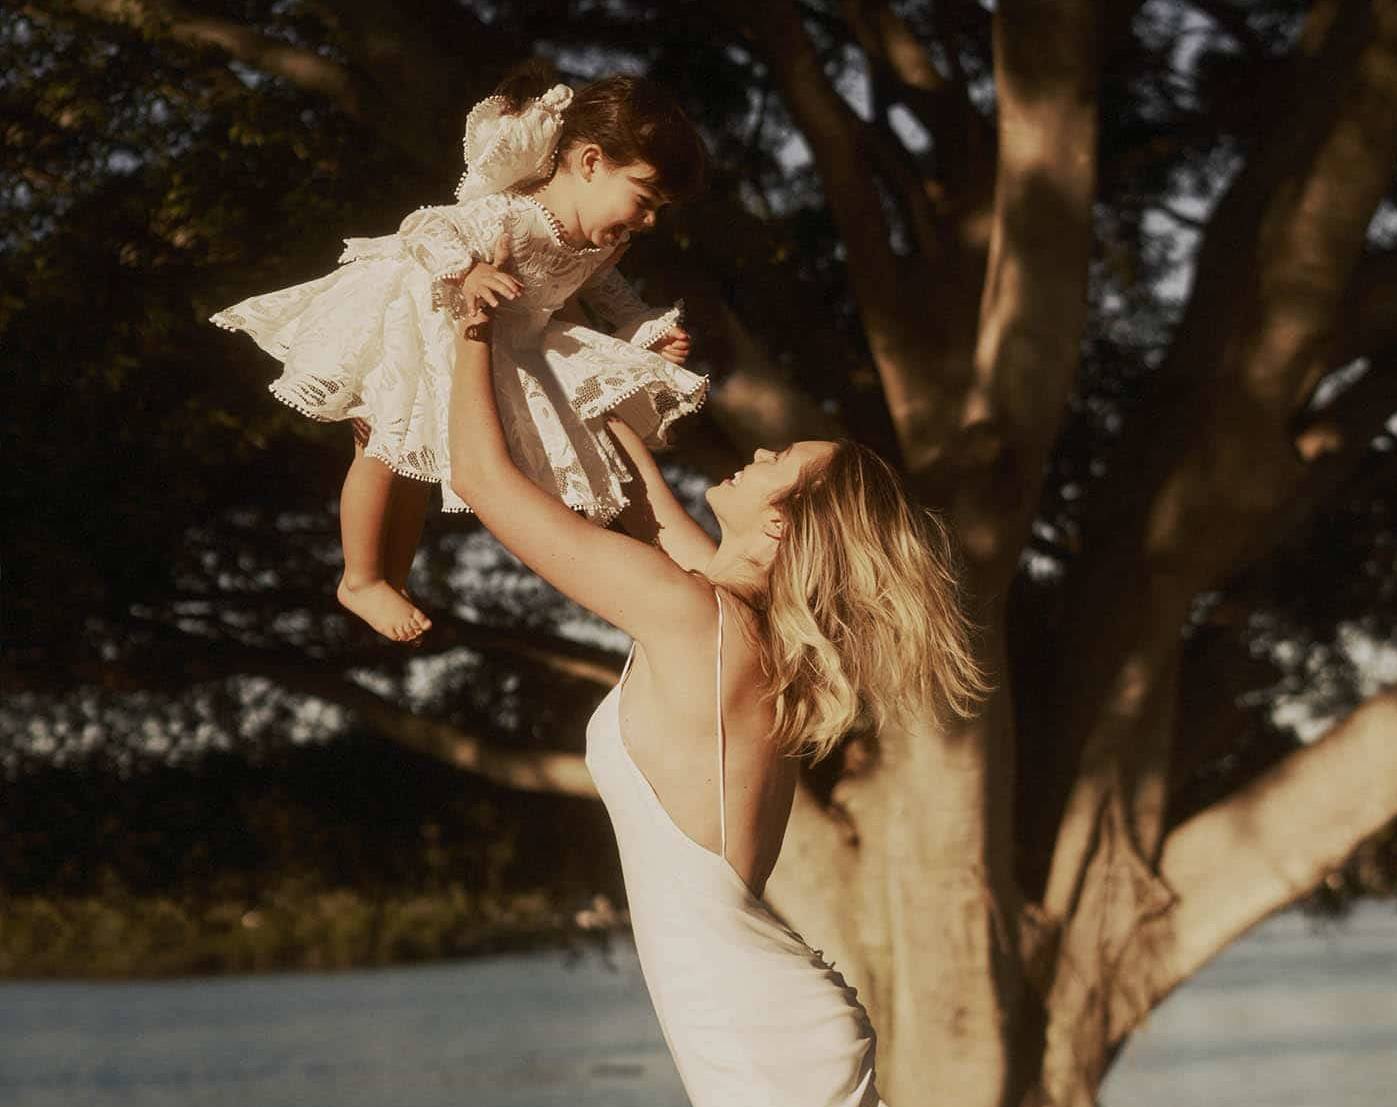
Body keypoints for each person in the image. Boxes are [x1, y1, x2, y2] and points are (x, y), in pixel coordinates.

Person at [448, 304, 990, 1106]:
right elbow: (643, 503)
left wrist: (472, 329)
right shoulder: (727, 621)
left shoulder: (698, 622)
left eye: (780, 461)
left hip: (762, 1037)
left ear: (780, 526)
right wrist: (608, 368)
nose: (761, 449)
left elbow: (482, 480)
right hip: (767, 1024)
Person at [210, 61, 707, 641]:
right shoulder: (512, 214)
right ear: (591, 162)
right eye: (644, 198)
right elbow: (425, 227)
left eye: (658, 210)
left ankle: (389, 577)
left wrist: (643, 332)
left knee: (416, 466)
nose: (647, 221)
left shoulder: (602, 244)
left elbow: (606, 291)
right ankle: (360, 578)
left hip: (494, 344)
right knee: (383, 444)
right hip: (421, 321)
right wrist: (467, 269)